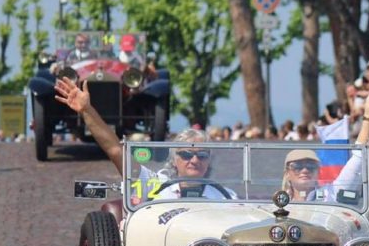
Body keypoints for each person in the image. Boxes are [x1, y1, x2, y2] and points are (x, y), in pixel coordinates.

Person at [54, 75, 234, 200]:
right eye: (186, 154)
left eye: (202, 155)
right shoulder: (154, 185)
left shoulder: (225, 196)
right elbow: (116, 150)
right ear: (174, 159)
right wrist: (87, 111)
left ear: (209, 160)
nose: (194, 160)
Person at [282, 86, 369, 202]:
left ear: (318, 172)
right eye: (297, 167)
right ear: (287, 174)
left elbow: (360, 156)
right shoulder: (277, 205)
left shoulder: (330, 194)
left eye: (311, 166)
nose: (304, 170)